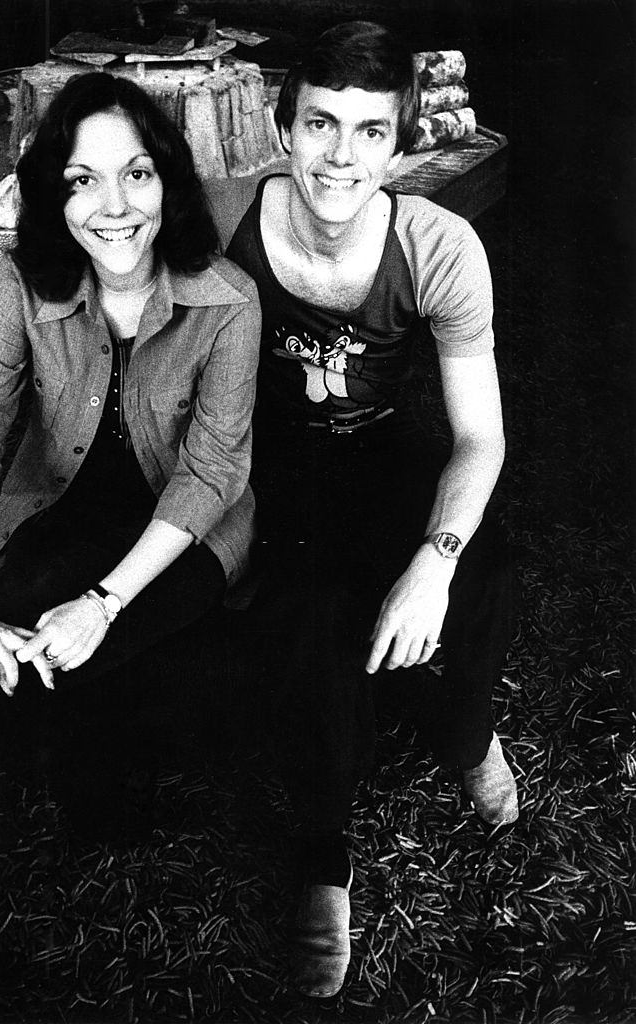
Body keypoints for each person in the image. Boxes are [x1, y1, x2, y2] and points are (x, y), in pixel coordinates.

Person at [0, 71, 261, 840]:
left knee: (84, 653)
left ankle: (62, 763)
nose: (114, 207)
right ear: (52, 195)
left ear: (167, 180)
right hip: (63, 500)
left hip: (184, 529)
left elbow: (212, 473)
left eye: (137, 174)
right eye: (81, 181)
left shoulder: (228, 300)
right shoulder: (22, 284)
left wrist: (102, 604)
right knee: (7, 625)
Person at [221, 21, 518, 999]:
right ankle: (320, 859)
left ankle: (469, 737)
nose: (340, 157)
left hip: (394, 464)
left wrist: (432, 562)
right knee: (310, 626)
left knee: (472, 576)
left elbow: (480, 437)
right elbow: (117, 234)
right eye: (319, 125)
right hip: (285, 476)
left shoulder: (439, 247)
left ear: (396, 146)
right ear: (283, 128)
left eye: (366, 132)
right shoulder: (236, 225)